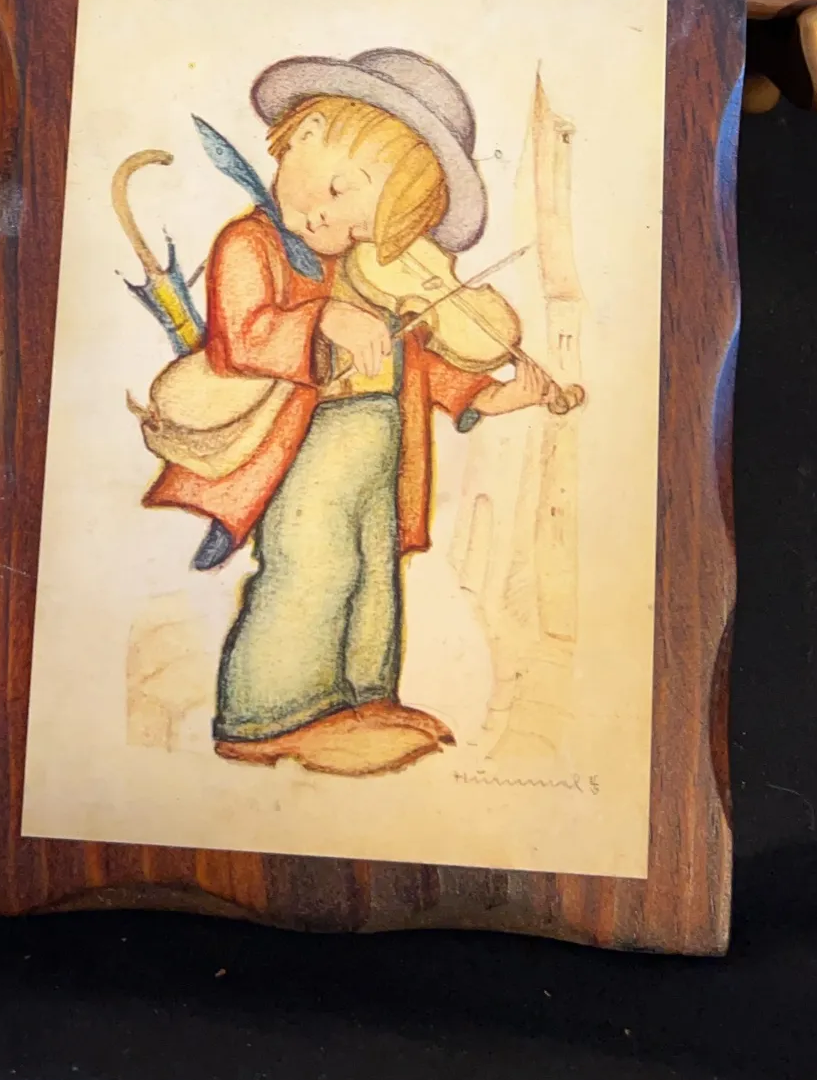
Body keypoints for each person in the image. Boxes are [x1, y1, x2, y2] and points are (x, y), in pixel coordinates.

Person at [144, 49, 561, 778]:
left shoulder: (370, 268)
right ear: (303, 135)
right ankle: (269, 712)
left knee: (373, 568)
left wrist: (490, 394)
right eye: (336, 189)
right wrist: (321, 320)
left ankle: (363, 698)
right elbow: (240, 340)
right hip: (311, 441)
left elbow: (416, 359)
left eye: (358, 225)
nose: (329, 222)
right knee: (313, 566)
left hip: (381, 442)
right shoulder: (252, 242)